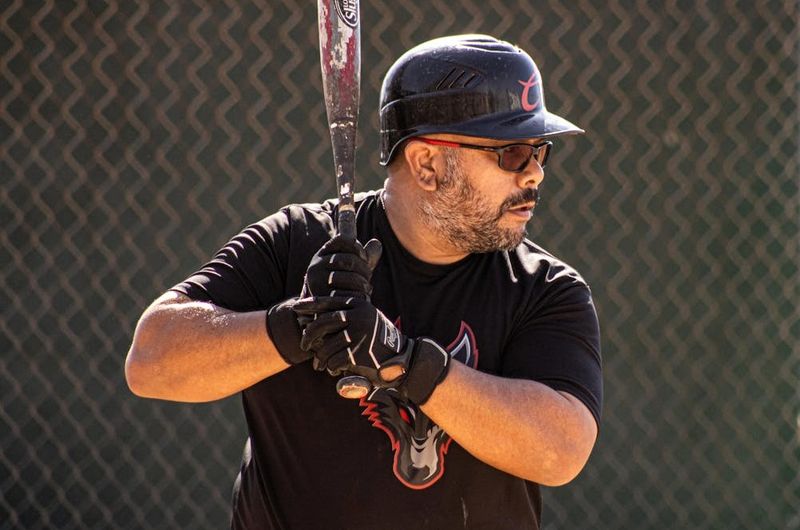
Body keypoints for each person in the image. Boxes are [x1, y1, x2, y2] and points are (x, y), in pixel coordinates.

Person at [125, 34, 602, 530]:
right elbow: (151, 361)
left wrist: (405, 361)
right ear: (428, 164)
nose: (534, 175)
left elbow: (560, 451)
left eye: (540, 151)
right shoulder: (299, 242)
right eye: (513, 153)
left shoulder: (544, 288)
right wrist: (296, 326)